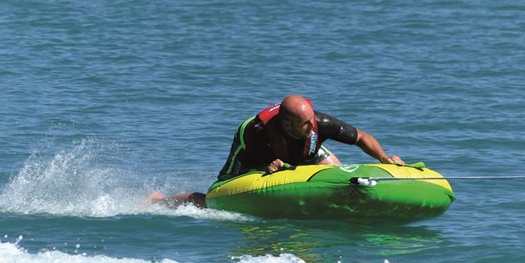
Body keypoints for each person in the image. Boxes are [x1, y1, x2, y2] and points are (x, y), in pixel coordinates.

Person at [145, 95, 403, 209]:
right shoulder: (255, 132)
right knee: (213, 201)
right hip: (260, 156)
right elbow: (225, 185)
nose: (312, 126)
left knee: (337, 174)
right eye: (306, 124)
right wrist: (263, 169)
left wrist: (384, 157)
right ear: (287, 125)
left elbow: (361, 137)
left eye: (312, 121)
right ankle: (160, 200)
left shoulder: (317, 124)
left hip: (303, 151)